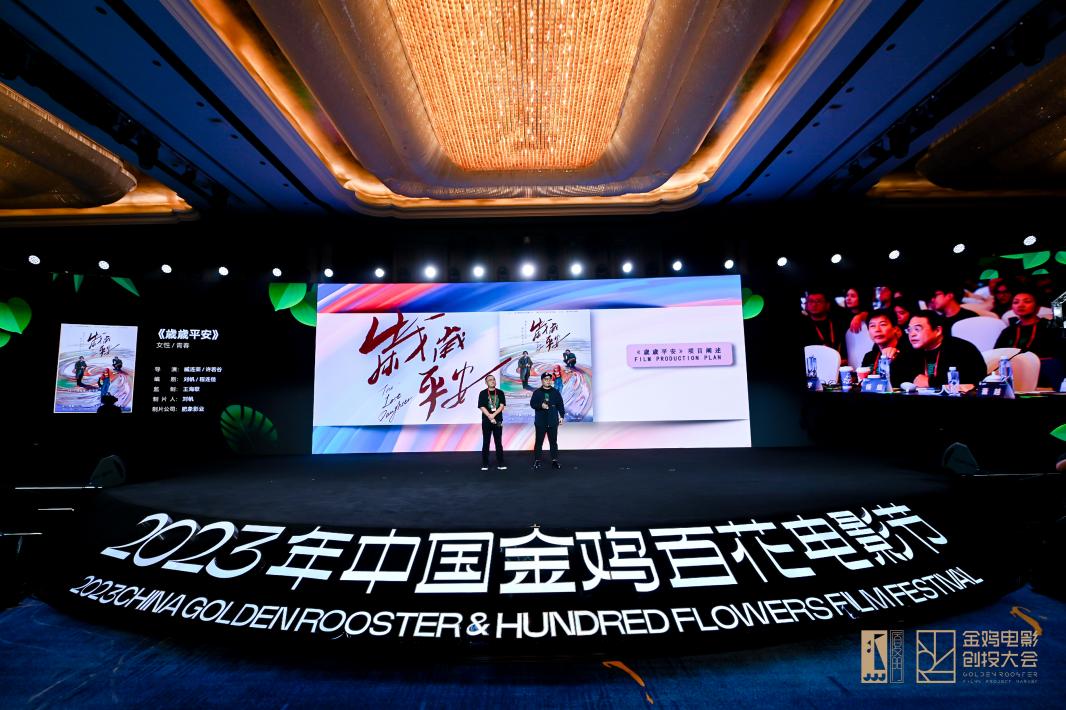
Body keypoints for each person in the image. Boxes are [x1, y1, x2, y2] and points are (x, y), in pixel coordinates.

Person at [898, 310, 987, 388]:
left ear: (938, 331)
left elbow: (972, 379)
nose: (912, 334)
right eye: (909, 330)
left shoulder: (962, 349)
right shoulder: (910, 351)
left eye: (917, 329)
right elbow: (900, 378)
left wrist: (931, 382)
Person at [994, 290, 1061, 359]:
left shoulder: (1050, 327)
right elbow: (996, 355)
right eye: (1016, 302)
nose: (1020, 305)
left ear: (1037, 307)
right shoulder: (1008, 331)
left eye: (1027, 301)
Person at [860, 309, 910, 387]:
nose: (877, 330)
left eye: (882, 324)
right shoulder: (869, 357)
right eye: (872, 326)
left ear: (895, 329)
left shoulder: (908, 353)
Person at [530, 372, 565, 469]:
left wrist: (562, 416)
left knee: (553, 442)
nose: (548, 381)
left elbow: (560, 404)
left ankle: (554, 460)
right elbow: (532, 404)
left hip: (553, 421)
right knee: (539, 442)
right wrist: (540, 406)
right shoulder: (537, 392)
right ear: (542, 381)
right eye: (546, 379)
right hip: (541, 422)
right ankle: (537, 460)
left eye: (549, 379)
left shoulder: (555, 392)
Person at [800, 289, 847, 355]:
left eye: (818, 301)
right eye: (811, 301)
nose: (814, 305)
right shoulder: (803, 326)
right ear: (806, 305)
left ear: (827, 305)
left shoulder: (839, 324)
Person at [477, 375, 507, 471]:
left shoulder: (500, 392)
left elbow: (502, 406)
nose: (492, 381)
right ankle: (485, 464)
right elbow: (481, 406)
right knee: (486, 441)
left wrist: (493, 415)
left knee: (498, 442)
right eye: (490, 380)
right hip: (486, 421)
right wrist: (490, 416)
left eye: (493, 379)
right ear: (486, 383)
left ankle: (500, 463)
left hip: (498, 420)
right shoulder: (482, 393)